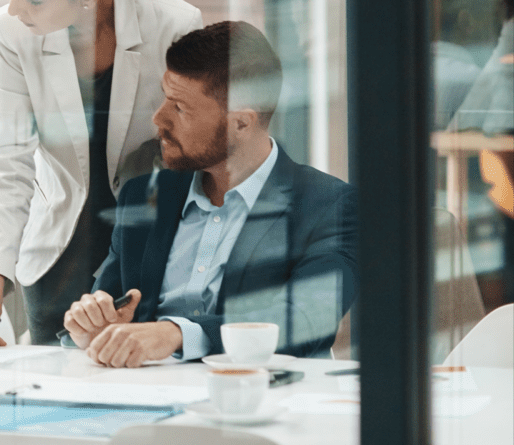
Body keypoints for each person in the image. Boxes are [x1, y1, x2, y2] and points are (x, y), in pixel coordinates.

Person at [0, 0, 203, 347]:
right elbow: (8, 161)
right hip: (58, 252)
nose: (13, 9)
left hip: (145, 244)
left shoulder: (174, 24)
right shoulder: (11, 31)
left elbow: (190, 150)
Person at [63, 21, 357, 367]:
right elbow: (111, 303)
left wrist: (178, 333)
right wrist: (92, 327)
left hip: (259, 391)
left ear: (241, 123)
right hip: (146, 387)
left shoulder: (330, 205)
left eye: (180, 108)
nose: (159, 118)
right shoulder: (143, 195)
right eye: (165, 98)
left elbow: (306, 319)